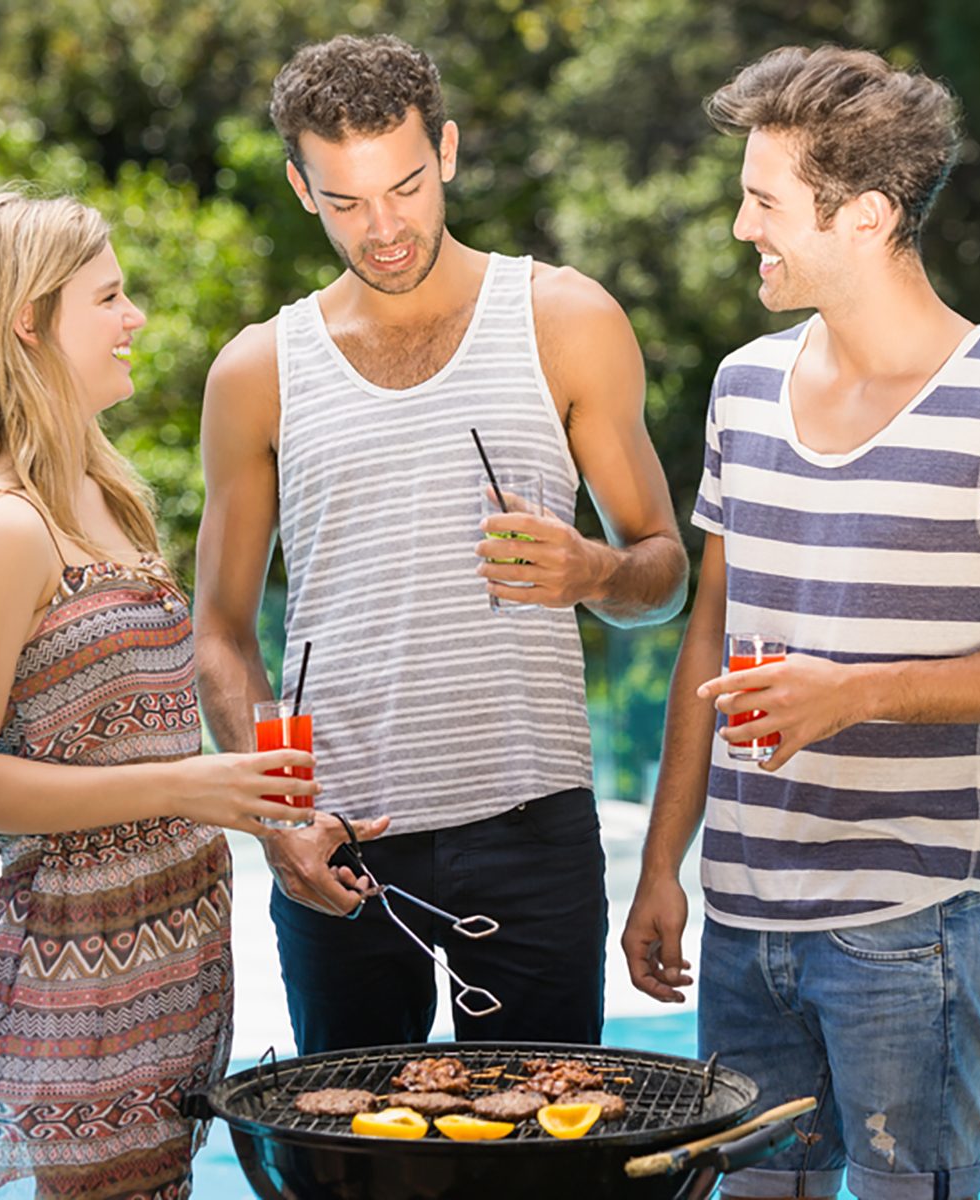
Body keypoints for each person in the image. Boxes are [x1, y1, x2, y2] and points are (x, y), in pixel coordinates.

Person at [622, 45, 980, 1200]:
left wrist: (861, 691)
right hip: (741, 924)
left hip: (910, 936)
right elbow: (708, 635)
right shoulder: (741, 386)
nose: (741, 227)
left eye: (763, 200)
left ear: (868, 215)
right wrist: (662, 863)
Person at [194, 33, 688, 1055]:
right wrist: (276, 818)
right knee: (355, 1150)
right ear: (299, 187)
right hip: (337, 842)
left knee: (542, 1150)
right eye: (345, 202)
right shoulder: (255, 373)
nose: (383, 228)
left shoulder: (566, 318)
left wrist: (594, 570)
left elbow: (663, 572)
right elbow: (221, 635)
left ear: (449, 151)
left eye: (407, 187)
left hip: (530, 826)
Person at [0, 191, 375, 1199]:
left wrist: (259, 817)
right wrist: (189, 788)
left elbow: (142, 757)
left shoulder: (103, 495)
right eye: (107, 297)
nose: (134, 317)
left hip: (164, 994)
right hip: (72, 1015)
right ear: (31, 320)